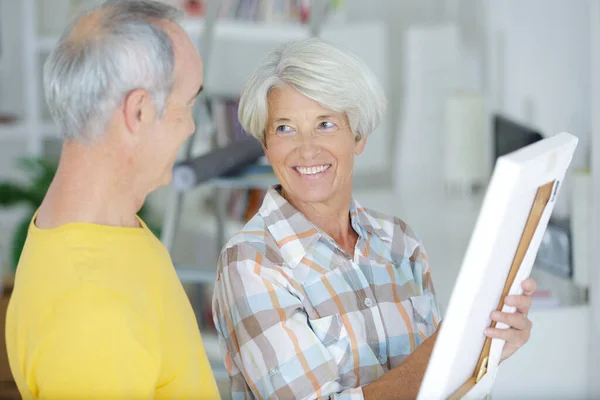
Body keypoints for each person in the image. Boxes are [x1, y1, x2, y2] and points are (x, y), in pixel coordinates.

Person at [212, 38, 536, 399]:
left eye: (325, 124)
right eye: (285, 128)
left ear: (359, 136)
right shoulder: (252, 263)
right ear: (265, 145)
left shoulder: (399, 242)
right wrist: (454, 343)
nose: (306, 149)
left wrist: (487, 348)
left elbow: (446, 391)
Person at [5, 1, 220, 399]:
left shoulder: (93, 228)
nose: (191, 127)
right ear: (138, 112)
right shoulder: (92, 310)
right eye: (188, 105)